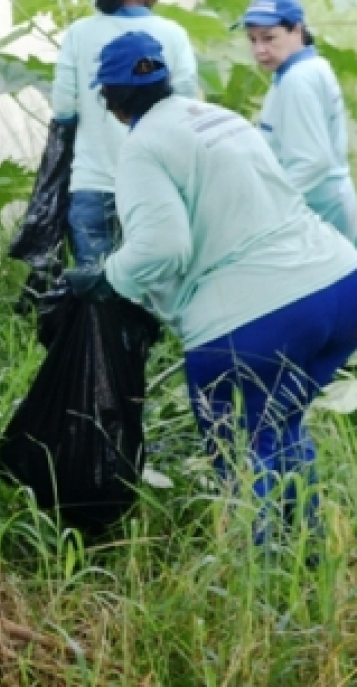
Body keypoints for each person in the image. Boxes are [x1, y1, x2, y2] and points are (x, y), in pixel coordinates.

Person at [67, 31, 357, 545]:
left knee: (244, 450)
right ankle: (309, 557)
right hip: (339, 286)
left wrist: (107, 277)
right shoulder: (221, 117)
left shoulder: (143, 146)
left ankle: (262, 586)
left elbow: (162, 246)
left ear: (110, 100)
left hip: (259, 318)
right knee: (281, 427)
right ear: (167, 79)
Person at [51, 0, 198, 267]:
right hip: (154, 183)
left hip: (91, 182)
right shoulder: (173, 35)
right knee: (150, 288)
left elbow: (62, 107)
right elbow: (185, 105)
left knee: (97, 289)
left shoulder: (80, 32)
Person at [243, 0, 357, 240]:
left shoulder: (298, 81)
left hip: (321, 211)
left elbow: (313, 161)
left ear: (296, 30)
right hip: (330, 203)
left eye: (269, 38)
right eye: (252, 40)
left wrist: (269, 207)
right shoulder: (309, 67)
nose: (259, 50)